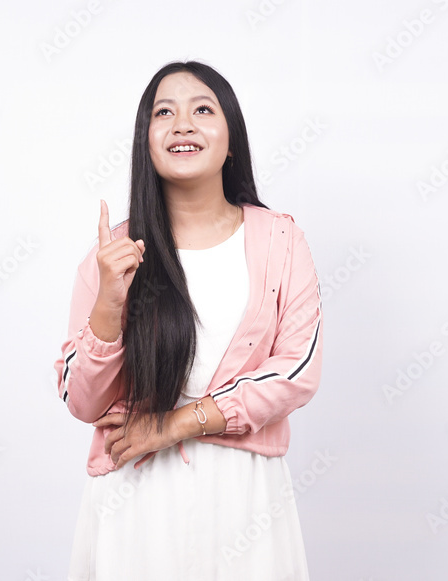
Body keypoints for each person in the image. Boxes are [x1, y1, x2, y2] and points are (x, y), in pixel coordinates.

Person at [54, 60, 324, 580]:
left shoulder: (281, 242)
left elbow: (296, 371)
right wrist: (110, 300)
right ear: (146, 142)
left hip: (246, 500)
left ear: (230, 141)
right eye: (164, 113)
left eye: (202, 109)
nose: (182, 124)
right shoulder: (112, 255)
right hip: (134, 503)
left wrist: (175, 424)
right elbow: (81, 400)